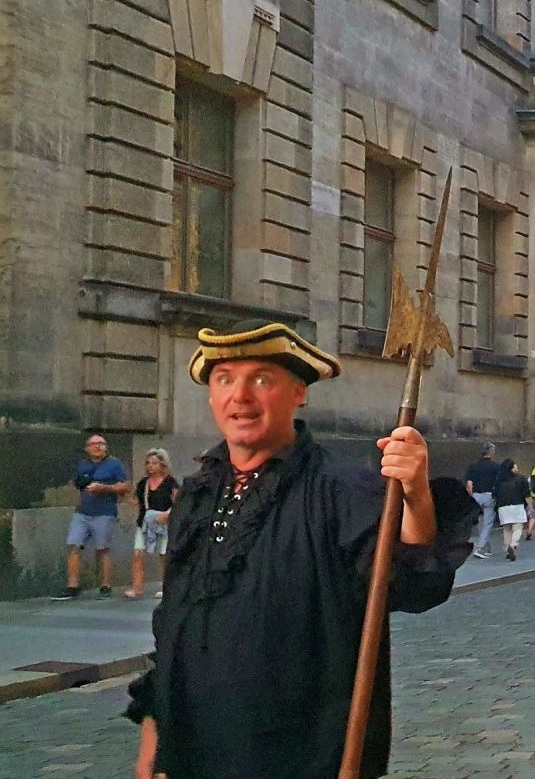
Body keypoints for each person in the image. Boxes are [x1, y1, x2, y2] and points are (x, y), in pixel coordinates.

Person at [124, 319, 474, 779]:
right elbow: (173, 624)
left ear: (298, 392)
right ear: (211, 395)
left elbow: (409, 586)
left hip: (301, 754)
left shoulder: (339, 491)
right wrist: (156, 739)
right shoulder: (196, 494)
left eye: (261, 379)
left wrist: (416, 496)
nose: (240, 396)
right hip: (195, 751)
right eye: (225, 379)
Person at [53, 433, 130, 601]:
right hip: (83, 511)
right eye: (93, 444)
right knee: (73, 545)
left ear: (106, 447)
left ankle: (106, 585)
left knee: (102, 549)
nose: (97, 446)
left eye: (101, 443)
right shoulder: (82, 465)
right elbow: (79, 484)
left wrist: (104, 488)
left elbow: (125, 486)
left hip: (104, 512)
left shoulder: (114, 464)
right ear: (87, 448)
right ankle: (73, 585)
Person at [126, 448, 179, 600]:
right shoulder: (144, 483)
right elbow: (136, 501)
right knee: (138, 554)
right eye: (148, 463)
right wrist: (124, 496)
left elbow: (179, 502)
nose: (150, 466)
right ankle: (137, 588)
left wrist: (168, 514)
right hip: (145, 522)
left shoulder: (170, 482)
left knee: (164, 556)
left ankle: (166, 587)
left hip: (164, 522)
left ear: (162, 464)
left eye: (154, 463)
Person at [463, 442, 500, 559]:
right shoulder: (496, 467)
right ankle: (480, 547)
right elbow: (498, 483)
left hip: (476, 495)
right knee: (488, 523)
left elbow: (469, 483)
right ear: (491, 452)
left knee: (480, 522)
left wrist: (471, 496)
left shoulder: (473, 466)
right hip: (490, 495)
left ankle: (486, 547)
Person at [493, 460, 530, 561]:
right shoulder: (521, 479)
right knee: (518, 527)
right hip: (517, 506)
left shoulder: (499, 480)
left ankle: (507, 548)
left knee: (507, 529)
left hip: (502, 507)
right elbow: (527, 495)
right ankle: (513, 544)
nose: (517, 469)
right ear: (512, 468)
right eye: (515, 467)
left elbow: (494, 494)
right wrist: (530, 508)